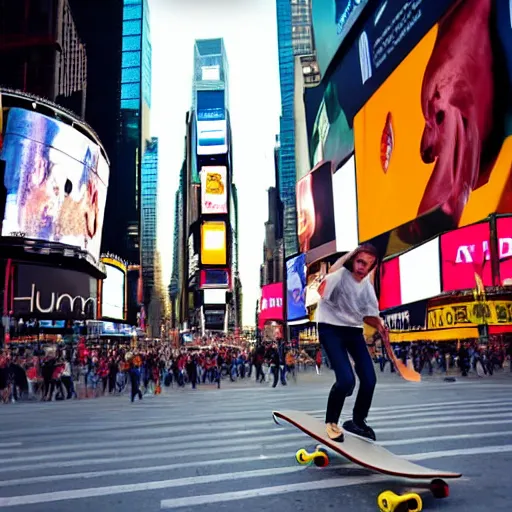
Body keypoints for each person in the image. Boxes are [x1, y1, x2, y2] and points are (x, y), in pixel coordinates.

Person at [316, 243, 388, 442]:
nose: (362, 268)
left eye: (368, 265)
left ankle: (358, 421)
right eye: (359, 262)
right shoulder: (339, 276)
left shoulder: (366, 286)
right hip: (330, 328)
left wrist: (380, 326)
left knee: (369, 379)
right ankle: (331, 422)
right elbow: (323, 288)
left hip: (353, 331)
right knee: (347, 381)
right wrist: (347, 257)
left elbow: (369, 315)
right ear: (352, 260)